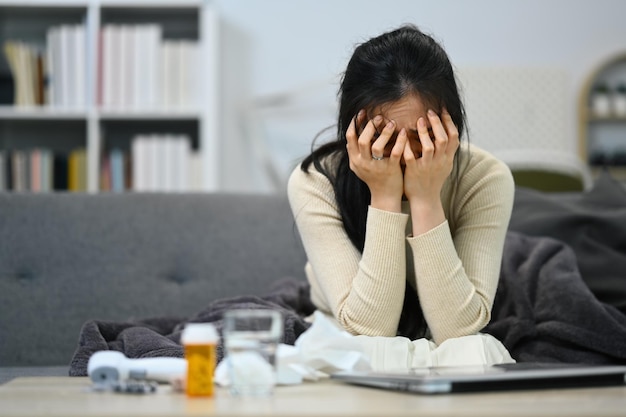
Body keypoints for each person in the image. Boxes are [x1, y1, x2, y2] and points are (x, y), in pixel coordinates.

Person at [287, 24, 515, 346]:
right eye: (385, 138)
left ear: (452, 125)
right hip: (341, 341)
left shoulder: (486, 178)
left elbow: (457, 333)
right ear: (353, 131)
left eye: (423, 137)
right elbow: (369, 331)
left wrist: (425, 199)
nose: (405, 155)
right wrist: (384, 195)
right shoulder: (314, 182)